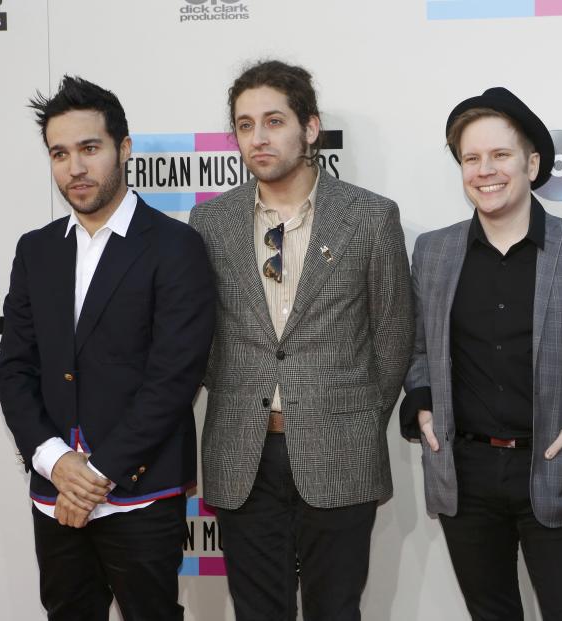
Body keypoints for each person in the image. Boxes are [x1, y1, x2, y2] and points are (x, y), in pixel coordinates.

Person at [188, 60, 415, 620]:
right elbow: (204, 343)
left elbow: (391, 337)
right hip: (243, 456)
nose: (258, 138)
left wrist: (350, 414)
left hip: (341, 451)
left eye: (273, 121)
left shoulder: (370, 217)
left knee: (335, 609)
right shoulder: (209, 223)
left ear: (310, 128)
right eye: (244, 125)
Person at [0, 75, 215, 620]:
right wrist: (55, 461)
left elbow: (173, 379)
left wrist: (95, 476)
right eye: (60, 153)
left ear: (124, 149)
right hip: (54, 489)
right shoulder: (36, 250)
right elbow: (16, 370)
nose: (74, 168)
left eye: (89, 149)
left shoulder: (175, 246)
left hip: (140, 488)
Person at [401, 87, 562, 620]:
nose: (485, 170)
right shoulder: (434, 251)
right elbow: (419, 345)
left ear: (532, 164)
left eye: (500, 155)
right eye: (471, 158)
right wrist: (422, 404)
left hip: (559, 470)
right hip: (464, 474)